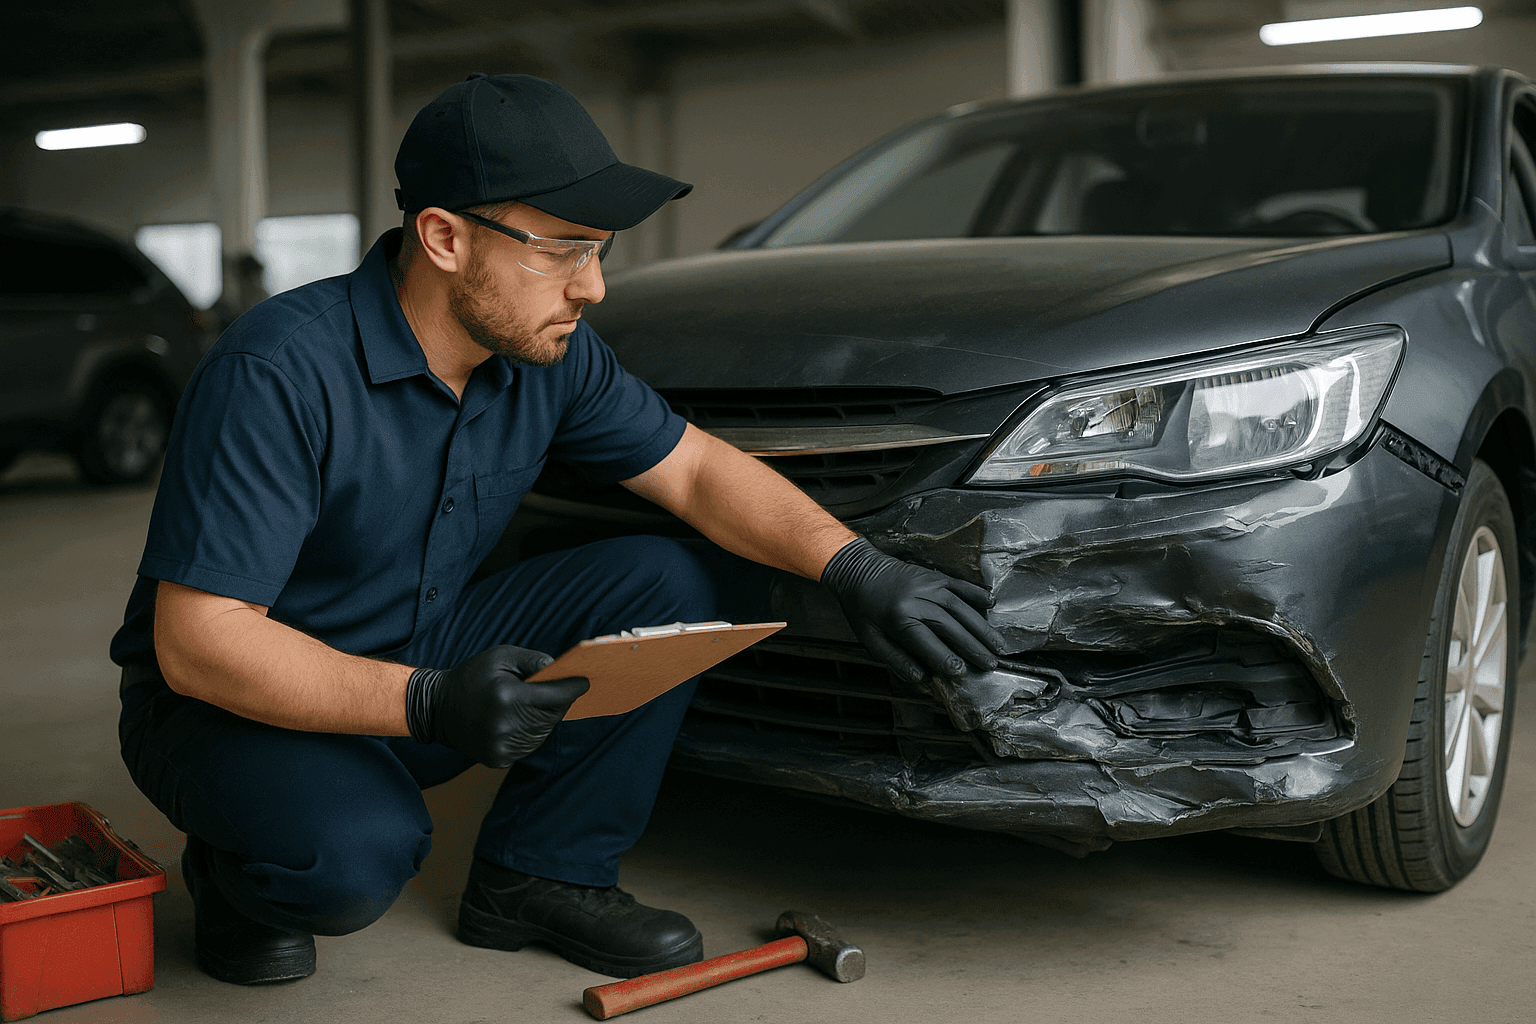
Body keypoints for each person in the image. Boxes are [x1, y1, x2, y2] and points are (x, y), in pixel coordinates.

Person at [110, 73, 1005, 987]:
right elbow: (199, 646)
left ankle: (540, 875)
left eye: (602, 251)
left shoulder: (544, 357)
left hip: (422, 655)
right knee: (353, 860)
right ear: (445, 239)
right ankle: (233, 876)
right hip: (227, 707)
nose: (597, 287)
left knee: (661, 577)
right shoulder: (279, 373)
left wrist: (856, 566)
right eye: (566, 250)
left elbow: (695, 469)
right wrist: (426, 704)